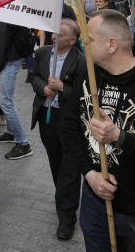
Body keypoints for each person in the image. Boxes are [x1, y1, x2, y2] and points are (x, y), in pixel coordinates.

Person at [61, 10, 135, 251]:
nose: (83, 43)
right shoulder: (89, 77)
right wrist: (89, 173)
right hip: (94, 201)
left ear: (111, 44)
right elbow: (68, 128)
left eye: (90, 39)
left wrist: (119, 137)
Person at [28, 20, 86, 241]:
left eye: (60, 35)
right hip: (47, 118)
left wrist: (64, 89)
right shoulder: (42, 53)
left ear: (72, 41)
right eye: (54, 32)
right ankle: (64, 202)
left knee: (70, 170)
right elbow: (32, 77)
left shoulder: (80, 61)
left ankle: (67, 217)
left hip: (70, 122)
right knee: (56, 164)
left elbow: (86, 92)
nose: (53, 37)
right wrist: (43, 88)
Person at [0, 20, 34, 160]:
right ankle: (11, 133)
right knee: (6, 100)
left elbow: (2, 43)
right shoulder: (3, 14)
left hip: (8, 62)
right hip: (8, 60)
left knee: (6, 102)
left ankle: (23, 144)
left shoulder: (2, 16)